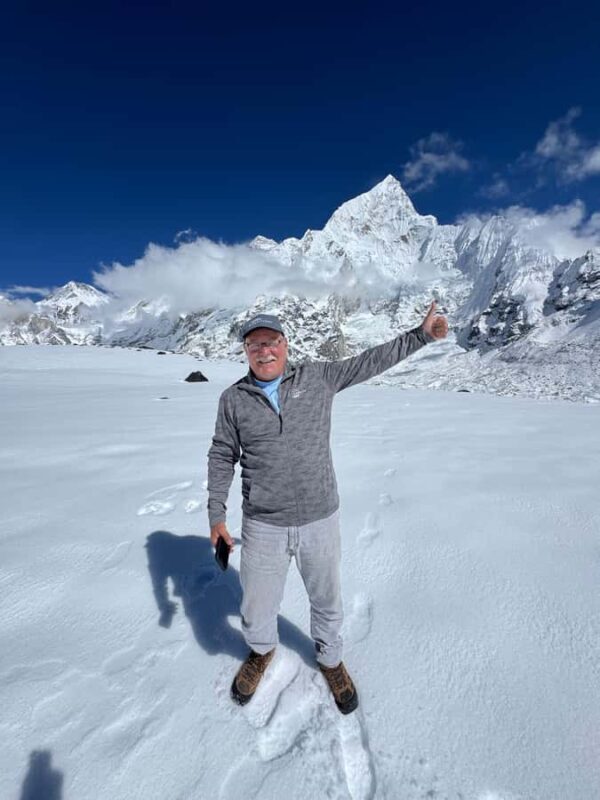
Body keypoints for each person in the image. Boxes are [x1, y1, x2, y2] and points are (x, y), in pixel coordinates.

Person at [207, 303, 448, 714]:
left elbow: (369, 361)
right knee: (256, 604)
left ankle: (330, 659)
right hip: (263, 522)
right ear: (246, 352)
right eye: (254, 345)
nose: (264, 351)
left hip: (320, 516)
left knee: (327, 598)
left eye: (271, 342)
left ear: (286, 345)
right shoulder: (234, 400)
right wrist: (216, 515)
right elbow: (222, 454)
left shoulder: (318, 378)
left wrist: (420, 335)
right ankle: (262, 651)